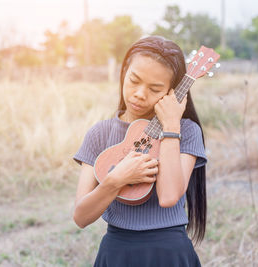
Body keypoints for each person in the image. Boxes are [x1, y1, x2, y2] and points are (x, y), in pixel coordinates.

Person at [72, 35, 207, 267]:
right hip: (117, 251)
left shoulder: (187, 131)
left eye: (155, 89)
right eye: (134, 80)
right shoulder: (100, 133)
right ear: (123, 72)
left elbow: (168, 197)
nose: (140, 94)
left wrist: (171, 128)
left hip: (170, 252)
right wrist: (116, 180)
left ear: (171, 92)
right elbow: (81, 217)